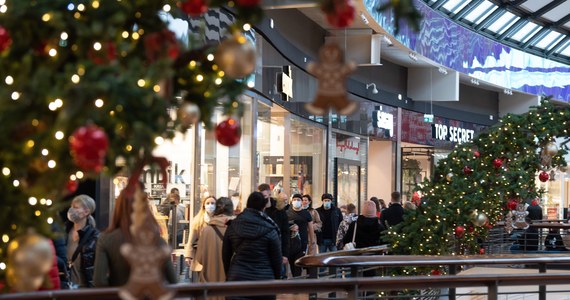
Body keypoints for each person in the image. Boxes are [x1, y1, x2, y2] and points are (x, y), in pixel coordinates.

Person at [94, 184, 177, 287]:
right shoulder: (158, 241)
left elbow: (99, 281)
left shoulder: (106, 239)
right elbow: (173, 281)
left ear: (118, 207)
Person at [222, 192, 282, 300]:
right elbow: (277, 260)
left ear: (247, 205)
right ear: (264, 207)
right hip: (264, 282)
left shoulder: (233, 225)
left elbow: (225, 255)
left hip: (237, 279)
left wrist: (229, 275)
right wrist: (276, 279)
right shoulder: (271, 228)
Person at [194, 197, 235, 285]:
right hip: (231, 282)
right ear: (231, 209)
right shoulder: (237, 229)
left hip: (210, 284)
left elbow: (199, 258)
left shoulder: (206, 230)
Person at [65, 194, 99, 288]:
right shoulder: (64, 232)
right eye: (71, 206)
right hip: (65, 288)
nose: (71, 210)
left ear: (86, 212)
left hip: (84, 290)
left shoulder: (95, 237)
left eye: (75, 207)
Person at [343, 200, 384, 275]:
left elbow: (346, 240)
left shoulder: (354, 225)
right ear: (374, 211)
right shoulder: (379, 227)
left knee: (357, 283)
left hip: (357, 262)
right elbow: (384, 243)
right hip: (374, 263)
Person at [260, 184, 289, 278]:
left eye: (264, 196)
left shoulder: (279, 210)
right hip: (262, 252)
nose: (262, 199)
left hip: (278, 250)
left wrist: (285, 254)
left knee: (280, 277)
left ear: (269, 194)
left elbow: (285, 233)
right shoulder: (258, 210)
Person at [184, 195, 216, 278]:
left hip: (216, 254)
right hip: (201, 255)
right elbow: (191, 239)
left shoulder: (219, 220)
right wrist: (188, 256)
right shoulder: (198, 220)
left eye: (213, 203)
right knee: (203, 280)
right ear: (204, 205)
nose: (210, 205)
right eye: (208, 203)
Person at [286, 194, 315, 277]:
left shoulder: (306, 214)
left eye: (298, 199)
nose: (296, 201)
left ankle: (297, 283)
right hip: (290, 243)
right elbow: (282, 227)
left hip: (302, 243)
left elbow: (311, 228)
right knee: (292, 264)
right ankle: (296, 281)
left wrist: (312, 242)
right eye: (294, 199)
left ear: (301, 201)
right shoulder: (287, 213)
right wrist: (290, 227)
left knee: (298, 264)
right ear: (291, 201)